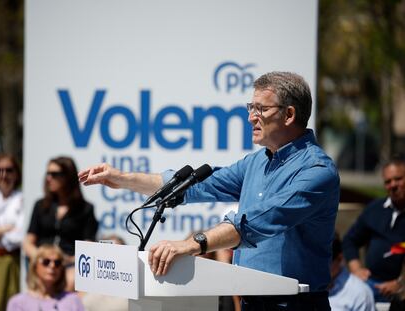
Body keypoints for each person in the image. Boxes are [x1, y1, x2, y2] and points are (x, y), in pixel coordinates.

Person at [78, 71, 340, 310]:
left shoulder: (317, 171)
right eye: (251, 108)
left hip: (297, 305)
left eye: (261, 109)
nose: (251, 117)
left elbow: (259, 221)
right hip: (251, 302)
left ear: (289, 114)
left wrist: (192, 245)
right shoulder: (257, 161)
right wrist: (122, 178)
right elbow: (198, 185)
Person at [23, 156, 98, 291]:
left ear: (68, 177)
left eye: (55, 174)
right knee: (41, 280)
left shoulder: (86, 209)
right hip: (42, 261)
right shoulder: (40, 206)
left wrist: (68, 260)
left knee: (69, 282)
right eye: (48, 173)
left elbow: (89, 247)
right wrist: (42, 258)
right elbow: (28, 242)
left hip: (69, 264)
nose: (49, 178)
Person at [342, 155, 405, 303]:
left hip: (399, 292)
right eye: (388, 181)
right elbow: (350, 241)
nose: (393, 185)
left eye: (398, 179)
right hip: (369, 286)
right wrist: (356, 269)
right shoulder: (374, 209)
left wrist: (401, 284)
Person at [7, 244, 84, 311]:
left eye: (57, 263)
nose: (52, 266)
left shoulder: (73, 300)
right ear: (35, 266)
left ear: (62, 269)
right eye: (46, 262)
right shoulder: (18, 302)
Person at [0, 153, 24, 311]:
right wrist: (7, 227)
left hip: (12, 261)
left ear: (16, 173)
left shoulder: (22, 199)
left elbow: (18, 237)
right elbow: (13, 231)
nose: (3, 175)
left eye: (8, 170)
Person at [329, 234, 375, 311]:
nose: (315, 268)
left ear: (339, 259)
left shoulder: (360, 293)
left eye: (322, 264)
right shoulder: (304, 286)